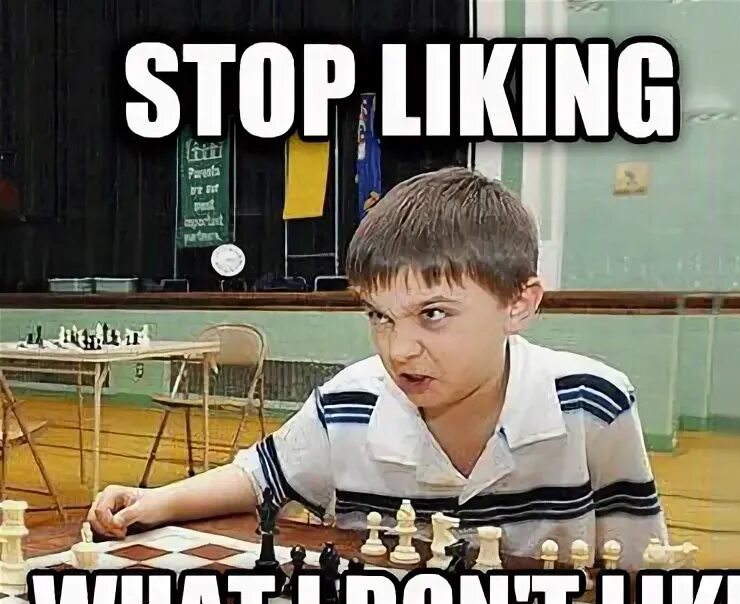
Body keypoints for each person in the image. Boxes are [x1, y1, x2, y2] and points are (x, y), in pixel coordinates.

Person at [89, 167, 668, 569]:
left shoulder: (594, 403)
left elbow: (641, 571)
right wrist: (155, 500)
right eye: (380, 316)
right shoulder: (350, 401)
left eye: (433, 314)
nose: (400, 349)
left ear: (518, 303)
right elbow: (259, 477)